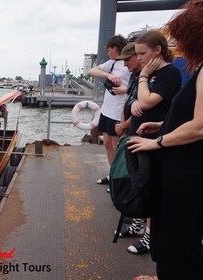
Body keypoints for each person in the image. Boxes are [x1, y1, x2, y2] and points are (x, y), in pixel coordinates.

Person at [128, 1, 203, 278]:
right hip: (181, 168)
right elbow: (190, 115)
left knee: (179, 238)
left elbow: (200, 126)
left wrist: (156, 142)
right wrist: (163, 124)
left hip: (188, 172)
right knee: (173, 233)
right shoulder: (198, 71)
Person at [121, 29, 182, 257]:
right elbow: (137, 98)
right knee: (138, 182)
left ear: (158, 50)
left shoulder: (169, 74)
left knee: (149, 185)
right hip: (138, 135)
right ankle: (138, 222)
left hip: (153, 138)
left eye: (143, 54)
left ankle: (149, 234)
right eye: (137, 54)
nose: (139, 59)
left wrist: (145, 76)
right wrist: (139, 98)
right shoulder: (146, 74)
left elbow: (147, 101)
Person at [88, 35, 131, 185]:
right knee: (107, 143)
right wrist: (108, 75)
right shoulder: (111, 64)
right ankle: (112, 174)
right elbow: (92, 71)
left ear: (116, 49)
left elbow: (138, 84)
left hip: (119, 111)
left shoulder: (129, 64)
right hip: (107, 110)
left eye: (109, 50)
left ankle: (119, 178)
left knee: (116, 145)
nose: (108, 53)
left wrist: (126, 89)